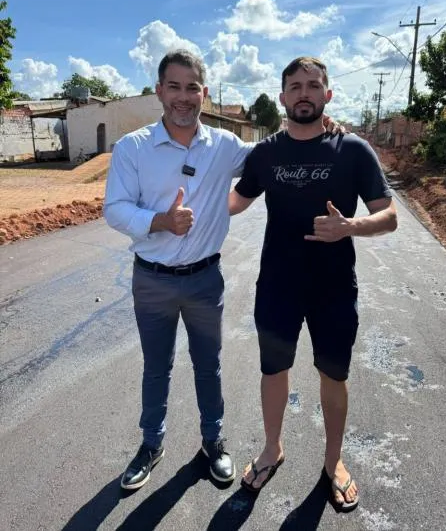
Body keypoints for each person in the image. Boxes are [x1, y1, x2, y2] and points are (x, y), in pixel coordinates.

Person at [103, 48, 343, 491]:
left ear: (205, 94)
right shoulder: (132, 148)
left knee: (208, 366)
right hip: (151, 280)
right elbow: (114, 209)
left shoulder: (223, 146)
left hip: (204, 280)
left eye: (191, 87)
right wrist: (158, 221)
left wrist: (317, 127)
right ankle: (151, 445)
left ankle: (213, 443)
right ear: (159, 91)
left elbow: (271, 153)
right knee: (156, 367)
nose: (182, 96)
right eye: (172, 86)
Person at [228, 56, 397, 511]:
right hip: (278, 285)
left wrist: (350, 228)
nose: (304, 92)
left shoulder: (353, 149)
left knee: (334, 375)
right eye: (295, 86)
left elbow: (390, 215)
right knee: (273, 370)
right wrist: (182, 207)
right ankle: (272, 449)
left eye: (313, 85)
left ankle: (333, 461)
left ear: (328, 94)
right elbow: (235, 202)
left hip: (334, 288)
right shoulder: (266, 154)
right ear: (283, 97)